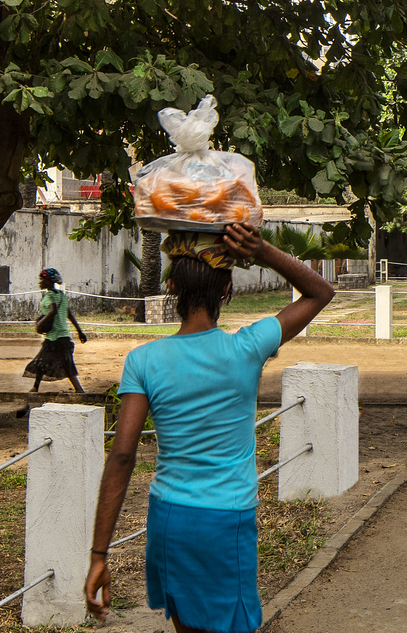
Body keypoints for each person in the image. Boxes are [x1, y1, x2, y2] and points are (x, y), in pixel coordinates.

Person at [84, 224, 334, 632]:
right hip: (225, 523)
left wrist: (99, 554)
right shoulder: (248, 348)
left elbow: (123, 455)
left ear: (170, 287)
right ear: (227, 288)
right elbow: (321, 292)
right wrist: (263, 250)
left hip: (169, 520)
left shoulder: (143, 360)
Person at [24, 267, 87, 393]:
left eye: (42, 280)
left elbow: (53, 311)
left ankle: (79, 390)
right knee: (44, 361)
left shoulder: (50, 295)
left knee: (61, 363)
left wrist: (39, 323)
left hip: (55, 336)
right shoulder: (61, 295)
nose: (40, 282)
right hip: (61, 335)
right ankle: (35, 387)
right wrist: (79, 331)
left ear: (49, 281)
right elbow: (69, 314)